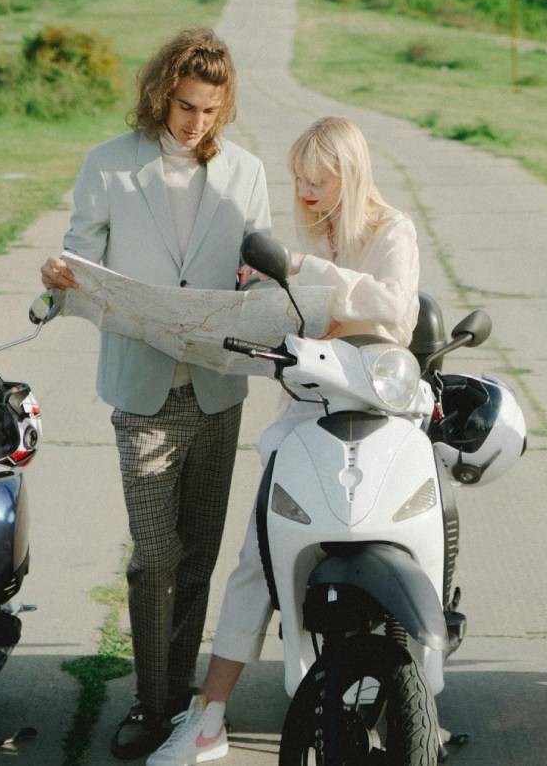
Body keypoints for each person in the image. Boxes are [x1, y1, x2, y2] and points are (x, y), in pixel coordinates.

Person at [148, 116, 421, 766]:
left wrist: (307, 269)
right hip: (306, 411)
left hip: (377, 409)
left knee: (409, 534)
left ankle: (420, 690)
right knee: (256, 557)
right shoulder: (321, 232)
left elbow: (399, 311)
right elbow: (307, 319)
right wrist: (267, 291)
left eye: (316, 182)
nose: (302, 194)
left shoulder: (393, 231)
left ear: (348, 177)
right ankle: (209, 715)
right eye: (298, 180)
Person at [38, 26, 271, 760]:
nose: (194, 121)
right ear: (160, 93)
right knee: (155, 554)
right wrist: (58, 282)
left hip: (216, 391)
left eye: (208, 109)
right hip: (142, 392)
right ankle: (150, 701)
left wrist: (258, 283)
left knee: (199, 556)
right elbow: (82, 257)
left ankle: (180, 703)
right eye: (183, 104)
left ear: (223, 108)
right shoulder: (108, 166)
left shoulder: (247, 174)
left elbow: (259, 263)